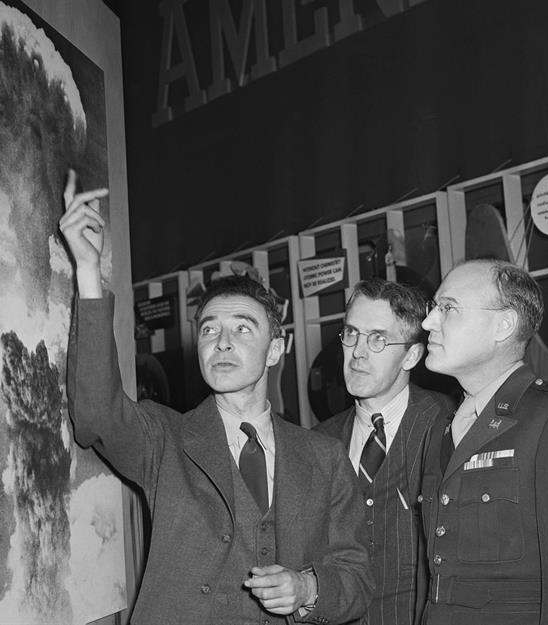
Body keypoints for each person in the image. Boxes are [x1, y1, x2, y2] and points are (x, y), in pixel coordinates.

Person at [59, 170, 373, 625]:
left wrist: (307, 587)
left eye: (243, 328)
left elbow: (357, 579)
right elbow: (95, 414)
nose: (222, 342)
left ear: (275, 349)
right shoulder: (165, 438)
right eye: (209, 330)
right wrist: (88, 271)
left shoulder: (324, 458)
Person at [417, 258, 548, 625]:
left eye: (447, 308)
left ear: (504, 325)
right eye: (434, 307)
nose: (428, 322)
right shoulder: (443, 428)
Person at [314, 279, 454, 625]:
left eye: (377, 339)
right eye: (351, 334)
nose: (357, 352)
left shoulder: (449, 425)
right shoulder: (318, 442)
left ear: (411, 355)